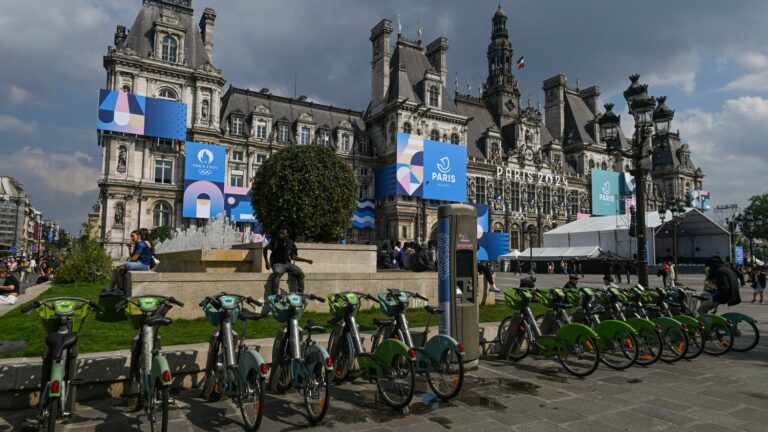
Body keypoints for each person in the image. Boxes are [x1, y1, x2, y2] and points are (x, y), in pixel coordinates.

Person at [263, 226, 313, 297]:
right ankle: (274, 295)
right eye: (280, 233)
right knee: (277, 273)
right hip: (277, 263)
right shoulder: (275, 240)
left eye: (283, 233)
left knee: (300, 273)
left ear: (287, 234)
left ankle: (300, 293)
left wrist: (306, 260)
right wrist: (266, 262)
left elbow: (293, 257)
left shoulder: (291, 243)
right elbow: (265, 249)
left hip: (287, 263)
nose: (280, 234)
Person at [103, 230, 153, 295]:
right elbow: (132, 256)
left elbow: (135, 257)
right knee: (116, 270)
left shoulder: (141, 244)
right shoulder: (138, 244)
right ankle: (113, 289)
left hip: (144, 266)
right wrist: (130, 247)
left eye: (133, 236)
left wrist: (123, 264)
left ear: (138, 236)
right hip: (139, 264)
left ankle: (119, 290)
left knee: (122, 267)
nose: (131, 238)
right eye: (130, 236)